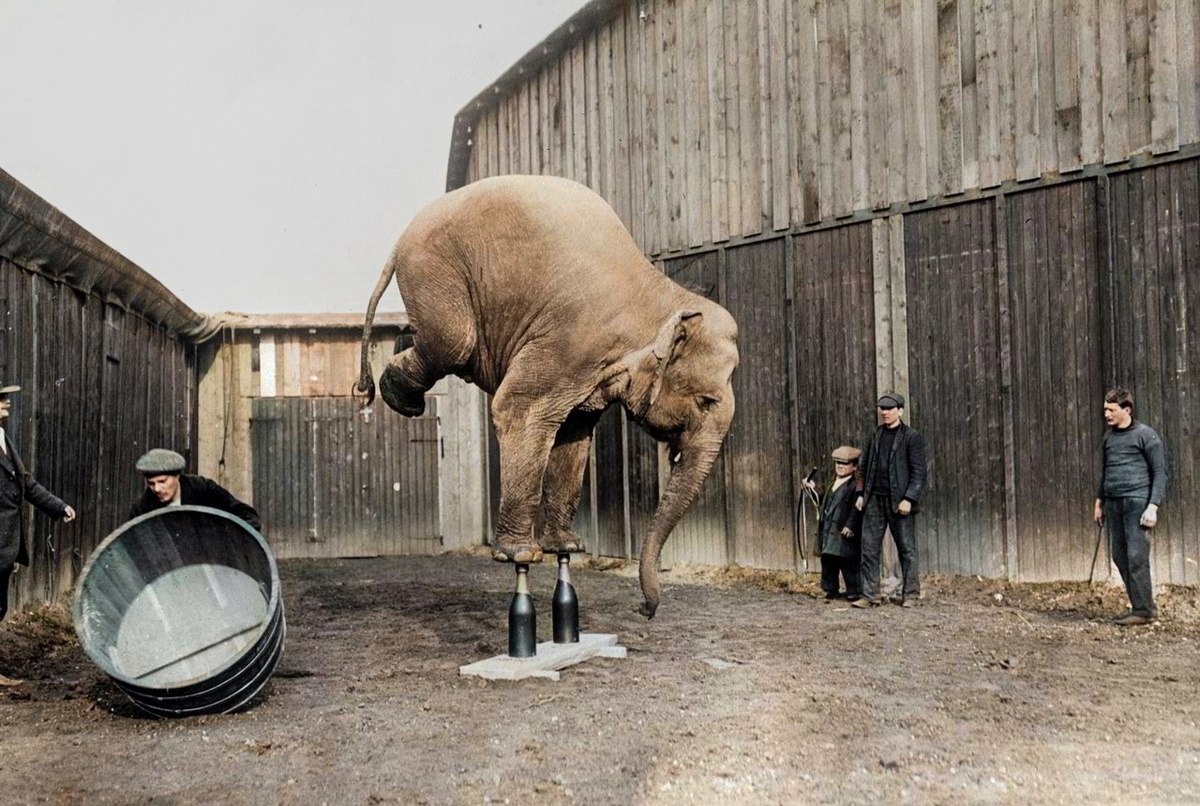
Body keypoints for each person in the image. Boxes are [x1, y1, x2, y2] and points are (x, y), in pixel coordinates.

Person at [0, 384, 76, 622]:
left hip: (5, 545)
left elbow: (25, 482)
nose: (7, 401)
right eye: (1, 397)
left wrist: (58, 506)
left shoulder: (2, 437)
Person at [1093, 387, 1167, 626]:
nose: (1106, 414)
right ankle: (1141, 606)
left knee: (1136, 556)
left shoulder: (1147, 435)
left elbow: (1160, 473)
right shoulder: (1109, 438)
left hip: (1137, 504)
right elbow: (1106, 471)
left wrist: (1153, 506)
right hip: (1113, 503)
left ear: (1127, 410)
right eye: (1105, 409)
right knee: (1119, 556)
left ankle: (1144, 610)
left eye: (1111, 410)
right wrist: (1099, 502)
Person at [852, 391, 927, 608]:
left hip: (899, 502)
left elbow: (919, 473)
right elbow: (862, 468)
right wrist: (860, 494)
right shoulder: (875, 436)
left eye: (889, 409)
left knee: (906, 549)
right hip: (874, 500)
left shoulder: (912, 437)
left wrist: (909, 499)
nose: (884, 413)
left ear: (900, 411)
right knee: (868, 549)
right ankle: (869, 595)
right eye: (882, 409)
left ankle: (911, 594)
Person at [129, 448, 262, 530]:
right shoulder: (141, 510)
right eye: (151, 483)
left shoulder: (203, 489)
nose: (157, 489)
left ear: (177, 476)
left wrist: (229, 535)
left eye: (162, 481)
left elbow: (246, 514)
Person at [805, 445, 864, 602]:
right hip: (829, 530)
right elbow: (821, 500)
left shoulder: (855, 486)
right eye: (837, 463)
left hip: (843, 531)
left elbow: (856, 510)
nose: (840, 466)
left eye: (844, 463)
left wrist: (850, 526)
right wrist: (811, 489)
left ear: (854, 467)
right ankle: (831, 589)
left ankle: (854, 591)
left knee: (848, 562)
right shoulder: (832, 483)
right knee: (828, 561)